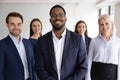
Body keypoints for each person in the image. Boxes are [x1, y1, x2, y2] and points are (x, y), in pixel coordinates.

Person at [34, 5, 88, 80]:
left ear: (65, 19)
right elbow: (39, 67)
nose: (57, 18)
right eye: (54, 15)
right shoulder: (42, 41)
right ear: (50, 20)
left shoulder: (77, 39)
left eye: (60, 15)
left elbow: (83, 67)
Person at [0, 12, 38, 80]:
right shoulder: (2, 44)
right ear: (7, 25)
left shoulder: (28, 43)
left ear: (22, 25)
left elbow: (32, 65)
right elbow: (0, 71)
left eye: (19, 24)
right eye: (12, 24)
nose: (16, 27)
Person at [86, 14, 120, 80]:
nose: (104, 27)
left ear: (111, 25)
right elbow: (89, 60)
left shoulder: (118, 42)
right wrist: (88, 78)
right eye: (101, 24)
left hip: (112, 75)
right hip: (95, 75)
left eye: (107, 23)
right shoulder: (94, 41)